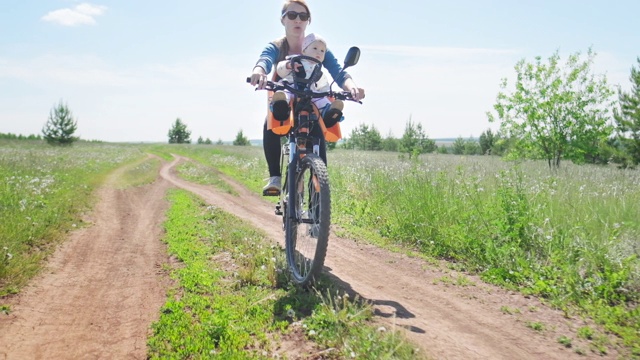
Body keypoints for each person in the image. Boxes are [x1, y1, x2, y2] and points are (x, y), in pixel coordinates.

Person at [248, 0, 365, 193]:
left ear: (308, 21)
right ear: (282, 19)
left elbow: (338, 71)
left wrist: (352, 87)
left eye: (303, 16)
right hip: (284, 99)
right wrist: (259, 71)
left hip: (312, 100)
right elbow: (265, 60)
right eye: (292, 15)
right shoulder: (278, 46)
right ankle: (275, 178)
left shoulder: (316, 46)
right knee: (269, 124)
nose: (298, 20)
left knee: (319, 138)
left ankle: (319, 200)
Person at [272, 33, 344, 127]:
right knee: (285, 94)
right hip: (292, 88)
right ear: (304, 50)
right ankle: (281, 106)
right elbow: (280, 69)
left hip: (310, 93)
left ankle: (329, 113)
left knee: (321, 99)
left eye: (322, 51)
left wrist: (327, 92)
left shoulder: (318, 70)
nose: (319, 52)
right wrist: (288, 65)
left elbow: (323, 85)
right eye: (315, 48)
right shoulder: (295, 60)